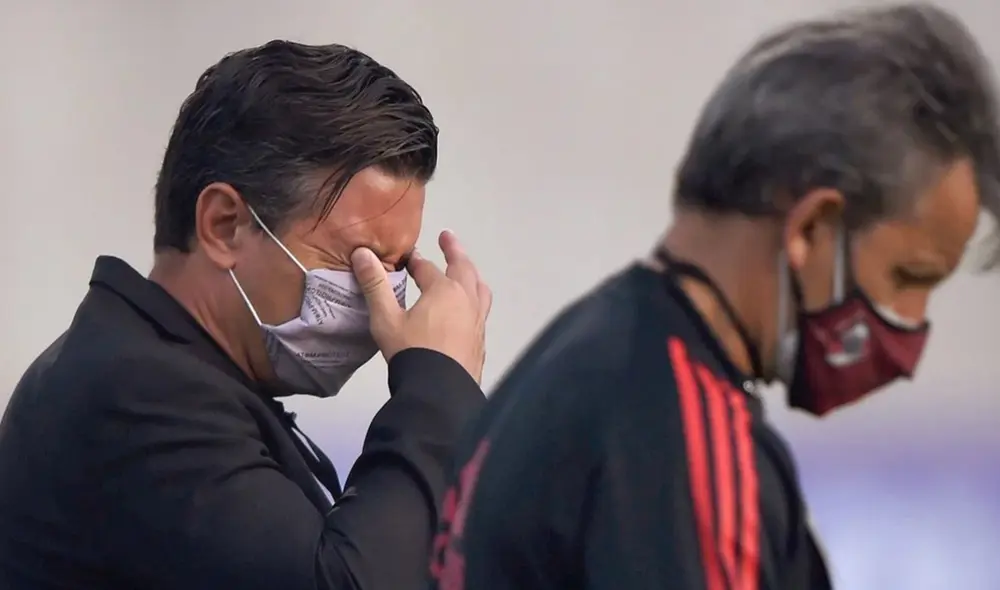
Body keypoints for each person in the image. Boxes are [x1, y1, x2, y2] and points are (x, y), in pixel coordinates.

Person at [428, 4, 1000, 590]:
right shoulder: (686, 446)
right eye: (909, 277)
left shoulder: (581, 355)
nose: (911, 336)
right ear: (811, 229)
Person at [0, 41, 491, 590]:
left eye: (396, 268)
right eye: (358, 261)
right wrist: (437, 387)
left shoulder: (183, 380)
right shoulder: (135, 393)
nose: (383, 303)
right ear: (224, 225)